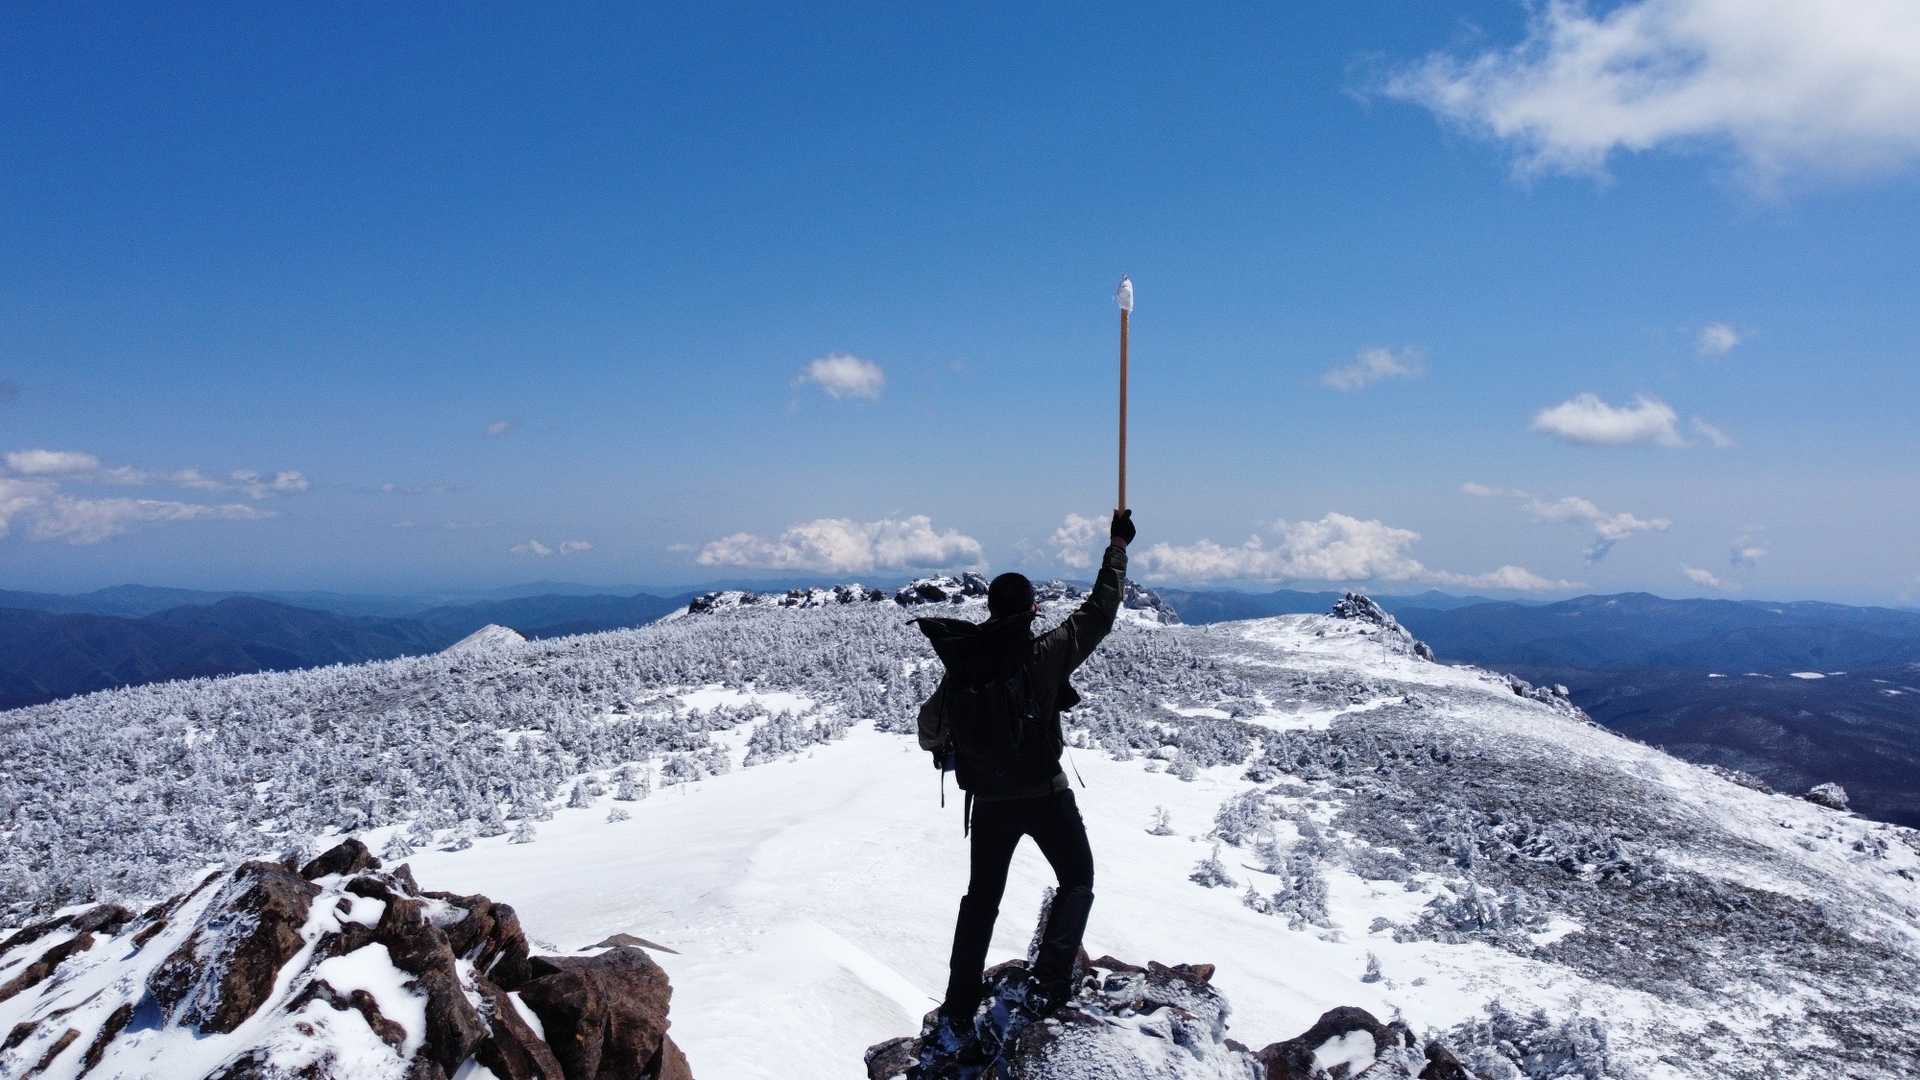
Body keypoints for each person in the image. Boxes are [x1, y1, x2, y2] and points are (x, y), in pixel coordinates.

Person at [913, 508, 1136, 1043]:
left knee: (981, 900)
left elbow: (929, 730)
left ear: (990, 609)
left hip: (990, 802)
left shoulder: (966, 665)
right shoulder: (1044, 653)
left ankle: (958, 1006)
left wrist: (961, 749)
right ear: (1032, 608)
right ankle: (1050, 982)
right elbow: (1099, 613)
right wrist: (1117, 547)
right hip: (1044, 795)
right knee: (1077, 877)